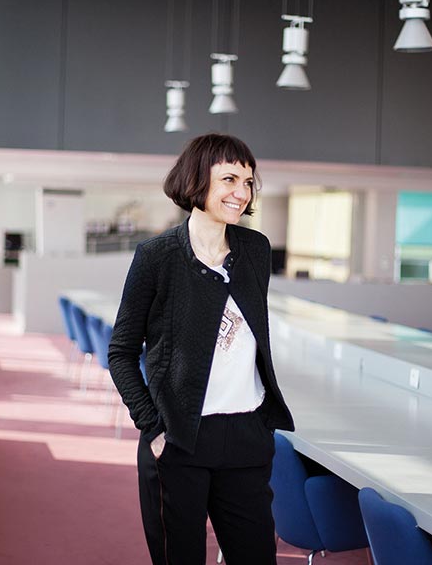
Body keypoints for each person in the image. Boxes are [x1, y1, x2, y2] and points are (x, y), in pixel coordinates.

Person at [108, 133, 295, 565]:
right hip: (178, 438)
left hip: (247, 436)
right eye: (229, 178)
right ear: (197, 179)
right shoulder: (157, 257)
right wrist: (151, 426)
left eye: (248, 182)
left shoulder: (255, 250)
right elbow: (121, 350)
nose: (241, 192)